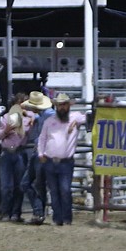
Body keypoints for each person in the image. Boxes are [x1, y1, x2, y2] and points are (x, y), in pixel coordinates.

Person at [37, 92, 86, 226]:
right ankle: (57, 218)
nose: (62, 107)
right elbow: (42, 138)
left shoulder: (74, 117)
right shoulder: (49, 121)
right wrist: (41, 153)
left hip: (65, 162)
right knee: (54, 191)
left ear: (69, 105)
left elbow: (87, 117)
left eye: (64, 104)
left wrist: (76, 121)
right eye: (60, 105)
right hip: (50, 160)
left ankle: (66, 218)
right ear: (56, 106)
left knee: (64, 190)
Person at [19, 90, 52, 225]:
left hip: (43, 153)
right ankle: (39, 212)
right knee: (29, 183)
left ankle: (39, 213)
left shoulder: (50, 116)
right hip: (38, 151)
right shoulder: (42, 115)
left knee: (35, 183)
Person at [0, 93, 29, 221]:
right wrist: (6, 130)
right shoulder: (5, 118)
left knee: (18, 185)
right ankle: (6, 212)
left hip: (19, 152)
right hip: (7, 152)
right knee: (6, 186)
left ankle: (15, 212)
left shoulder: (28, 118)